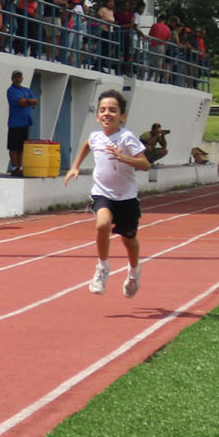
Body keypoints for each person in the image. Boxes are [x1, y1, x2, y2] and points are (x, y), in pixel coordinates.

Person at [63, 89, 150, 297]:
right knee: (101, 224)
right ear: (97, 115)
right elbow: (86, 145)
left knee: (129, 240)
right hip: (102, 193)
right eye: (102, 110)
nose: (106, 114)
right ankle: (102, 268)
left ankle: (134, 271)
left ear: (123, 116)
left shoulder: (127, 137)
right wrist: (75, 166)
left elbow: (145, 164)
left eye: (112, 110)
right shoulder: (95, 137)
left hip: (126, 197)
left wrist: (124, 158)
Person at [5, 70, 37, 176]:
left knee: (22, 147)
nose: (18, 79)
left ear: (22, 78)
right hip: (15, 123)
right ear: (12, 78)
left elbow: (35, 100)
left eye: (19, 77)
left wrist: (26, 101)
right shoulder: (11, 90)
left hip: (25, 122)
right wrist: (29, 101)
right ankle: (15, 167)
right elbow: (20, 102)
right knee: (14, 147)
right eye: (16, 77)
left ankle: (21, 167)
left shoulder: (26, 90)